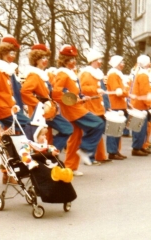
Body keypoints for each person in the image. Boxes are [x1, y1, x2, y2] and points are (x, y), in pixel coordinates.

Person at [53, 44, 105, 174]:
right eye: (70, 59)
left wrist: (82, 96)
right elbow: (56, 93)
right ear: (64, 60)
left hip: (75, 106)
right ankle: (85, 149)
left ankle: (70, 167)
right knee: (98, 123)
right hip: (72, 109)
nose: (73, 61)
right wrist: (75, 99)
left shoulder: (71, 73)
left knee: (75, 138)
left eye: (74, 58)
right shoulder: (62, 74)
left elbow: (74, 91)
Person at [0, 34, 30, 183]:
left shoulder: (7, 71)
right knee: (26, 127)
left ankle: (9, 174)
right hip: (3, 111)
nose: (13, 56)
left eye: (14, 53)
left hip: (10, 110)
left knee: (10, 142)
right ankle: (11, 172)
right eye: (10, 52)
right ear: (3, 52)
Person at [20, 43, 73, 152]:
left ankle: (51, 152)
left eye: (47, 57)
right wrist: (40, 105)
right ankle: (51, 152)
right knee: (66, 129)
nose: (46, 60)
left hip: (49, 112)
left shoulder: (43, 75)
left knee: (49, 136)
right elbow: (25, 92)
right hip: (40, 113)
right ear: (36, 59)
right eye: (43, 58)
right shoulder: (34, 75)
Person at [80, 48, 109, 164]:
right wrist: (96, 90)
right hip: (90, 106)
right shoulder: (86, 74)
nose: (101, 62)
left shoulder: (97, 74)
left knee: (99, 132)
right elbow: (83, 89)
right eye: (99, 59)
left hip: (98, 107)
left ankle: (100, 156)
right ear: (93, 61)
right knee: (92, 132)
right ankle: (89, 157)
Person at [106, 55, 129, 160]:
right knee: (114, 130)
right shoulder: (113, 75)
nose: (123, 64)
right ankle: (112, 151)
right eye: (121, 62)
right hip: (115, 104)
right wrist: (126, 92)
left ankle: (115, 150)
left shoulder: (117, 74)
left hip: (119, 105)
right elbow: (118, 91)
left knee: (118, 130)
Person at [131, 55, 151, 156]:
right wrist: (150, 104)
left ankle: (139, 146)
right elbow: (144, 91)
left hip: (138, 103)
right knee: (140, 128)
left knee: (141, 127)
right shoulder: (143, 75)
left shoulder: (139, 73)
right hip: (140, 105)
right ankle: (136, 148)